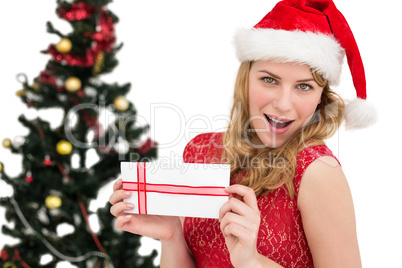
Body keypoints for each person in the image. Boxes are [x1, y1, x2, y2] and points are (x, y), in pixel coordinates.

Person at [109, 0, 376, 267]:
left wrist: (251, 261)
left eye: (304, 87)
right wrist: (171, 237)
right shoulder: (200, 151)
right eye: (269, 80)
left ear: (321, 97)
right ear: (246, 79)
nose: (283, 104)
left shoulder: (318, 173)